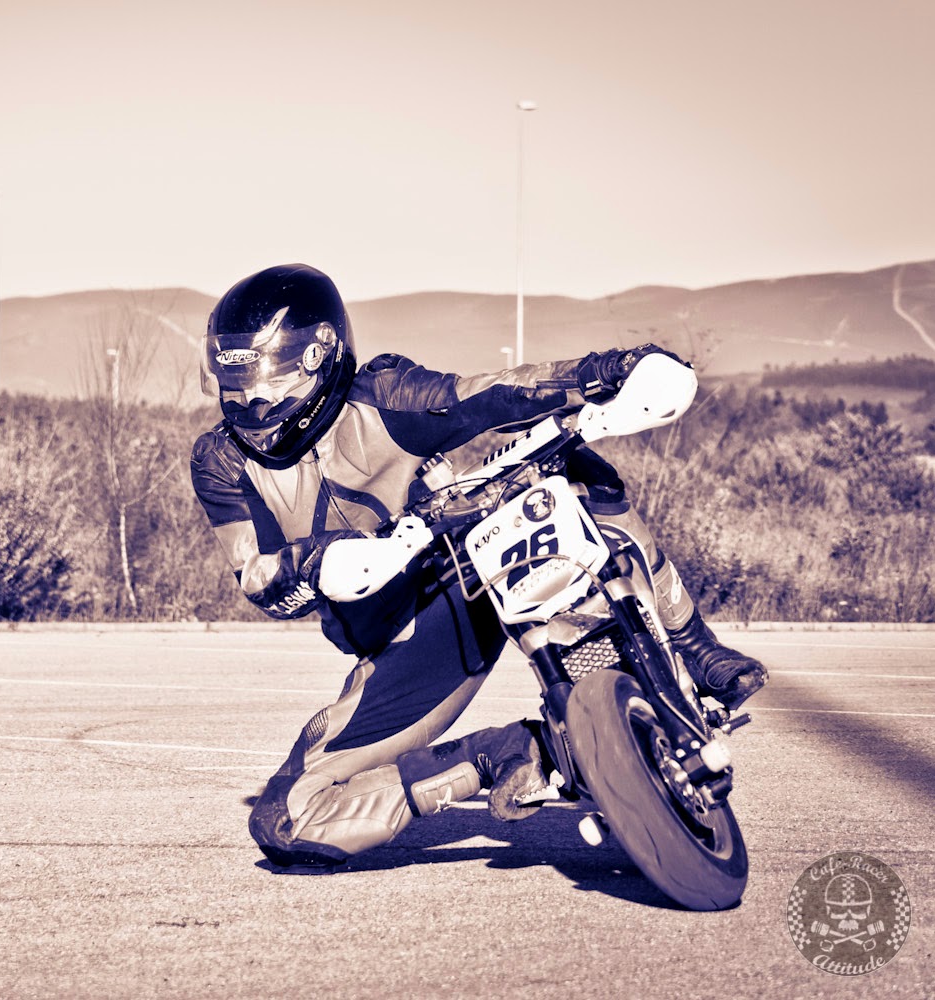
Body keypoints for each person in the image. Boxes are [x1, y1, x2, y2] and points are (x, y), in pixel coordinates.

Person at [189, 263, 768, 873]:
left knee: (572, 462)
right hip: (408, 643)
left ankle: (691, 643)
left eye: (271, 384)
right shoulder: (219, 461)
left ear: (321, 357)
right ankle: (506, 752)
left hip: (466, 558)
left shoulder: (383, 395)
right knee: (285, 822)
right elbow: (256, 576)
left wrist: (618, 368)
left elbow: (497, 391)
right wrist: (316, 561)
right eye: (236, 389)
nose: (253, 404)